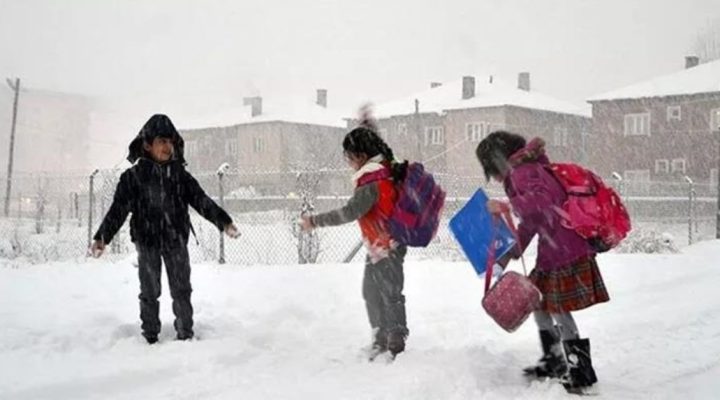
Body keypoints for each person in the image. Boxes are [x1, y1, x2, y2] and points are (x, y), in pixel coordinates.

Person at [476, 131, 609, 390]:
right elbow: (532, 221)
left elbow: (542, 203)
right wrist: (510, 254)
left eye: (490, 169)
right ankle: (554, 360)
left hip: (564, 250)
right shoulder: (528, 170)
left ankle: (579, 371)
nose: (492, 176)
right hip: (555, 248)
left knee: (558, 309)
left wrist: (505, 205)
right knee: (540, 304)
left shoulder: (523, 172)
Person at [91, 114, 240, 344]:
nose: (167, 147)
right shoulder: (133, 178)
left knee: (182, 289)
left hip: (175, 240)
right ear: (147, 144)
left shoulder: (180, 176)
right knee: (150, 291)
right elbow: (118, 210)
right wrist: (102, 237)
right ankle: (150, 336)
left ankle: (185, 335)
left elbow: (201, 201)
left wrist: (224, 222)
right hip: (146, 240)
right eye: (162, 141)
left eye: (170, 142)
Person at [300, 125, 409, 359]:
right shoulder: (385, 168)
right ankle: (383, 337)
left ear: (360, 156)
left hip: (386, 246)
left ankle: (395, 342)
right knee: (373, 292)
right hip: (382, 245)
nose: (348, 162)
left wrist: (315, 221)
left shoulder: (372, 180)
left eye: (348, 157)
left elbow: (350, 212)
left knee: (388, 294)